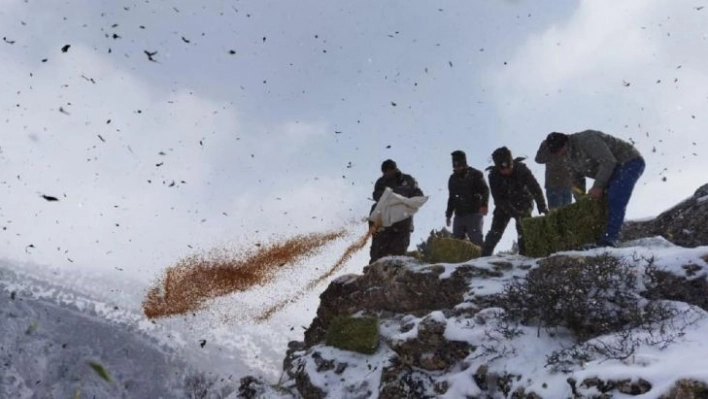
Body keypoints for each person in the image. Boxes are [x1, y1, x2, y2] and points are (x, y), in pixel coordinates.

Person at [544, 130, 645, 247]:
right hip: (612, 171)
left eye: (560, 152)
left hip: (628, 162)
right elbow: (576, 180)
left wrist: (597, 186)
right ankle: (606, 234)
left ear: (565, 143)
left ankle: (610, 239)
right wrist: (582, 200)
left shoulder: (587, 139)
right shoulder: (568, 157)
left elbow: (608, 161)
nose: (560, 156)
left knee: (615, 197)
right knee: (602, 203)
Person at [481, 147, 548, 257]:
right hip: (504, 204)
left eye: (509, 167)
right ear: (498, 168)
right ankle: (484, 257)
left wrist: (542, 206)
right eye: (503, 169)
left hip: (524, 201)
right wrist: (513, 213)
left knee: (524, 230)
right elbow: (498, 199)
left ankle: (525, 255)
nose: (507, 171)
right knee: (495, 231)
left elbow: (535, 188)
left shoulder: (522, 170)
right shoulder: (493, 176)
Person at [369, 159, 424, 264]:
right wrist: (389, 197)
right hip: (385, 222)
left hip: (403, 222)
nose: (388, 173)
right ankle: (372, 274)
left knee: (398, 255)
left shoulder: (408, 180)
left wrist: (403, 198)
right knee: (378, 254)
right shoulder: (381, 182)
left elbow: (418, 195)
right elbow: (376, 196)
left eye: (390, 170)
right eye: (385, 172)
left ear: (395, 169)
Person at [445, 150, 489, 246]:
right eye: (455, 167)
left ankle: (483, 258)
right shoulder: (452, 179)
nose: (457, 169)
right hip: (459, 214)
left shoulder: (476, 174)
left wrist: (484, 204)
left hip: (474, 213)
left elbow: (485, 190)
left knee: (476, 239)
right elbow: (451, 198)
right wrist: (448, 215)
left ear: (464, 164)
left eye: (459, 166)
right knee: (456, 242)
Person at [535, 139, 587, 209]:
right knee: (557, 214)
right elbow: (539, 159)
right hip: (555, 185)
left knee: (565, 214)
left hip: (565, 185)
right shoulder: (548, 144)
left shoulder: (566, 143)